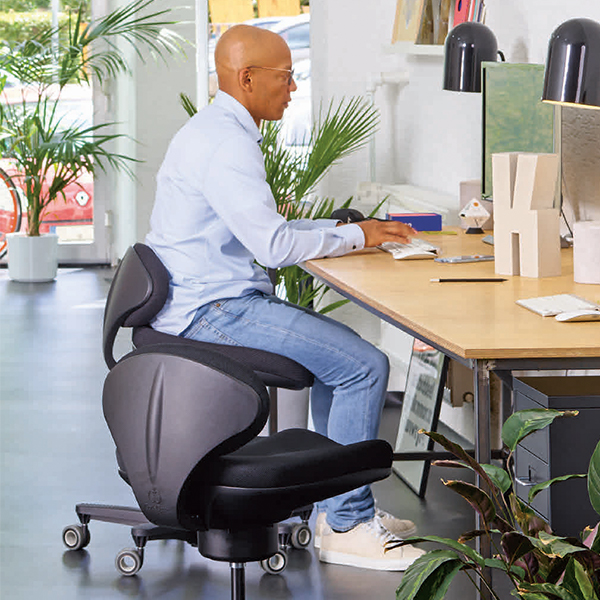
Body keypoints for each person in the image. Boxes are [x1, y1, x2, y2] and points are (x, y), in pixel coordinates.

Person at [145, 24, 425, 571]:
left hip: (205, 298)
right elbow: (273, 247)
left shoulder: (216, 131)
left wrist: (352, 230)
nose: (293, 87)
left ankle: (336, 509)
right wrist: (356, 236)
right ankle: (346, 524)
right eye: (286, 76)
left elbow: (261, 227)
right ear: (247, 79)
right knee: (364, 365)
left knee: (339, 363)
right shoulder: (227, 144)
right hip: (213, 311)